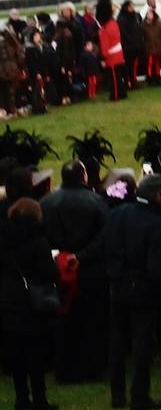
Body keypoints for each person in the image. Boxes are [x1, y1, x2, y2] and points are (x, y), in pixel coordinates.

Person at [104, 174, 161, 410]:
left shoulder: (116, 214)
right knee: (142, 343)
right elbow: (158, 267)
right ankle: (139, 395)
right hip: (143, 288)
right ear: (157, 194)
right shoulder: (156, 223)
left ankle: (117, 394)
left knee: (118, 340)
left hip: (117, 284)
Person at [42, 159, 111, 383]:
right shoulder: (97, 202)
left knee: (63, 321)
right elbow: (104, 237)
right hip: (90, 271)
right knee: (91, 321)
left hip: (57, 270)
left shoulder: (47, 202)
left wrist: (61, 257)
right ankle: (91, 369)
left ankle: (63, 369)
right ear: (84, 177)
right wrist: (81, 257)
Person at [2, 197, 61, 410]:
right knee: (35, 352)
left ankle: (21, 398)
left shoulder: (5, 239)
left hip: (9, 298)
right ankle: (39, 398)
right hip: (33, 300)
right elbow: (49, 272)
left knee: (16, 353)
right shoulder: (38, 241)